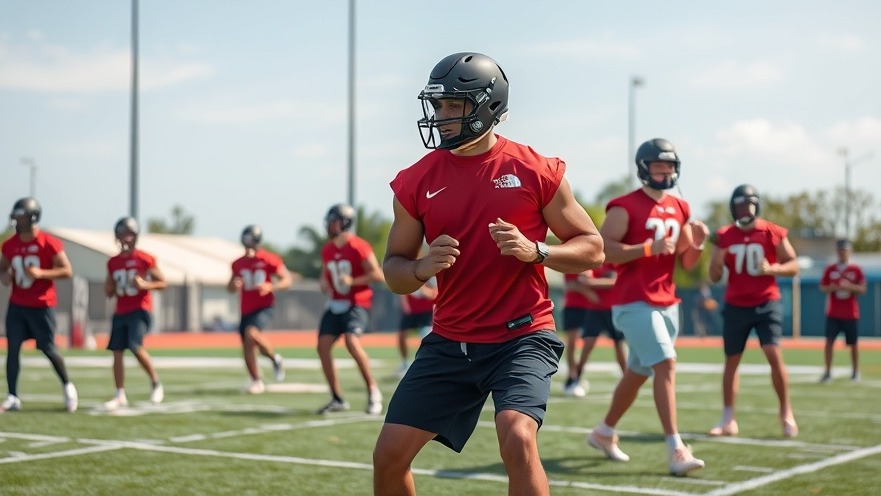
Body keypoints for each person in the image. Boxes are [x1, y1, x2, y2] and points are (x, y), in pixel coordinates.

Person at [373, 52, 604, 496]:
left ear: (487, 105)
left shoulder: (536, 169)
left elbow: (592, 249)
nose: (441, 116)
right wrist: (422, 267)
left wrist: (537, 251)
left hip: (522, 335)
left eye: (454, 106)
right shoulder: (414, 181)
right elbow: (394, 272)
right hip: (450, 338)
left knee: (518, 436)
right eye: (438, 105)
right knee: (389, 455)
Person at [586, 138, 707, 476]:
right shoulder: (623, 206)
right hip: (633, 301)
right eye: (659, 166)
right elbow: (603, 251)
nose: (665, 172)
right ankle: (676, 449)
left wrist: (697, 242)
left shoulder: (681, 207)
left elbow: (686, 260)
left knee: (639, 371)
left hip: (667, 301)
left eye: (670, 166)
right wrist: (647, 249)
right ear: (644, 168)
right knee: (666, 365)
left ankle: (604, 431)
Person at [707, 184, 800, 438]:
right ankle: (728, 418)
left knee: (773, 353)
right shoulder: (724, 235)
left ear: (757, 205)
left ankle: (786, 412)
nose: (745, 209)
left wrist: (773, 269)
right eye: (740, 205)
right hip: (736, 304)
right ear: (732, 208)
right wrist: (716, 259)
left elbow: (793, 265)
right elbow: (714, 276)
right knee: (732, 361)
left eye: (749, 204)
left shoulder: (771, 231)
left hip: (765, 302)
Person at [0, 197, 78, 413]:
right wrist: (5, 276)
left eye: (21, 217)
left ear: (33, 218)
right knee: (13, 348)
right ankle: (13, 396)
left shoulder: (48, 242)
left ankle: (67, 386)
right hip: (17, 304)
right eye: (15, 217)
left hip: (41, 305)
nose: (17, 221)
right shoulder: (9, 244)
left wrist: (42, 273)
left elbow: (66, 271)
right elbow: (2, 269)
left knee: (47, 348)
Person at [317, 204, 385, 415]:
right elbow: (325, 273)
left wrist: (353, 281)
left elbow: (378, 274)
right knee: (322, 346)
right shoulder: (328, 249)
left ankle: (373, 391)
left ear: (344, 222)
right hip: (336, 304)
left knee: (351, 341)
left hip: (357, 303)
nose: (329, 226)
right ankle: (337, 398)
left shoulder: (358, 246)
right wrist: (324, 283)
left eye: (333, 221)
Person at [103, 217, 167, 410]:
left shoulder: (145, 258)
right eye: (123, 234)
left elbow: (162, 282)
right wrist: (111, 287)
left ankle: (156, 382)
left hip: (140, 309)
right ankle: (120, 394)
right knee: (117, 351)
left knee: (134, 345)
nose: (126, 238)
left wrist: (145, 284)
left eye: (129, 234)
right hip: (121, 310)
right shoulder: (113, 262)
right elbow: (108, 289)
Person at [228, 224, 292, 394]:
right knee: (247, 345)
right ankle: (256, 380)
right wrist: (234, 285)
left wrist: (271, 287)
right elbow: (230, 287)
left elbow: (287, 279)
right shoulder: (237, 264)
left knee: (252, 334)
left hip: (264, 306)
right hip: (246, 308)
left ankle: (275, 359)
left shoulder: (269, 259)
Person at [561, 263, 627, 397]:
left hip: (612, 308)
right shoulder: (591, 262)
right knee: (587, 344)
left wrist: (591, 283)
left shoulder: (612, 260)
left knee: (619, 344)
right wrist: (588, 285)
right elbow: (573, 282)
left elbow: (615, 281)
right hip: (594, 309)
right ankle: (575, 378)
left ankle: (627, 379)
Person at [819, 239, 866, 383]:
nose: (842, 253)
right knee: (829, 342)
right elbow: (823, 287)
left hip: (850, 313)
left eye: (845, 250)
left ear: (849, 251)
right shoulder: (830, 269)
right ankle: (827, 372)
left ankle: (855, 372)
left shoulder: (855, 269)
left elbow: (862, 289)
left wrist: (849, 287)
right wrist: (833, 288)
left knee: (853, 344)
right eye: (840, 250)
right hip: (833, 312)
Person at [396, 276, 437, 378]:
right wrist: (404, 303)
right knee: (401, 335)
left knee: (425, 338)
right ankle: (405, 363)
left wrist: (421, 288)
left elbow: (433, 294)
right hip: (412, 310)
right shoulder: (411, 270)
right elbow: (402, 288)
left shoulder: (431, 276)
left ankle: (428, 365)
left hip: (426, 311)